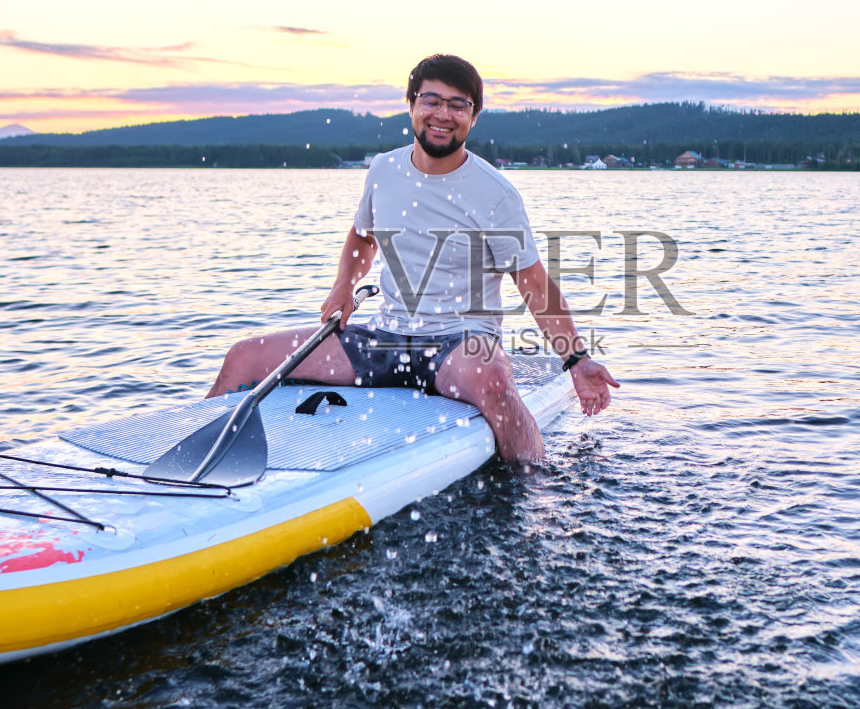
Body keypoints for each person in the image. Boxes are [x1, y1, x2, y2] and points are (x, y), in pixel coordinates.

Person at [205, 53, 619, 468]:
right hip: (383, 339)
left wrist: (576, 359)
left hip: (459, 347)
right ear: (412, 105)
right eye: (432, 100)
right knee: (244, 356)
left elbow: (533, 285)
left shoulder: (495, 193)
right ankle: (190, 458)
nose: (444, 114)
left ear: (474, 117)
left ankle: (535, 485)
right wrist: (344, 285)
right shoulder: (384, 169)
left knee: (492, 378)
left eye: (459, 104)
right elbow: (363, 237)